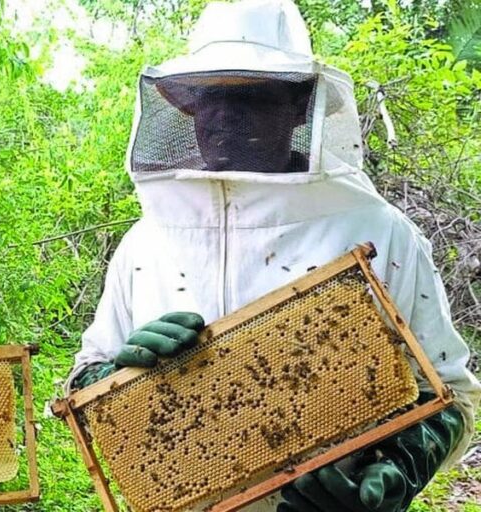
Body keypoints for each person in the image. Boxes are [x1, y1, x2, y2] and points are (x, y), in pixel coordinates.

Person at [66, 1, 480, 511]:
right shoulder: (146, 240)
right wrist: (115, 377)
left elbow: (450, 397)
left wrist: (393, 476)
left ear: (297, 107)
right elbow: (84, 383)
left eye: (251, 99)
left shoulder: (377, 229)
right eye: (208, 100)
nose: (222, 120)